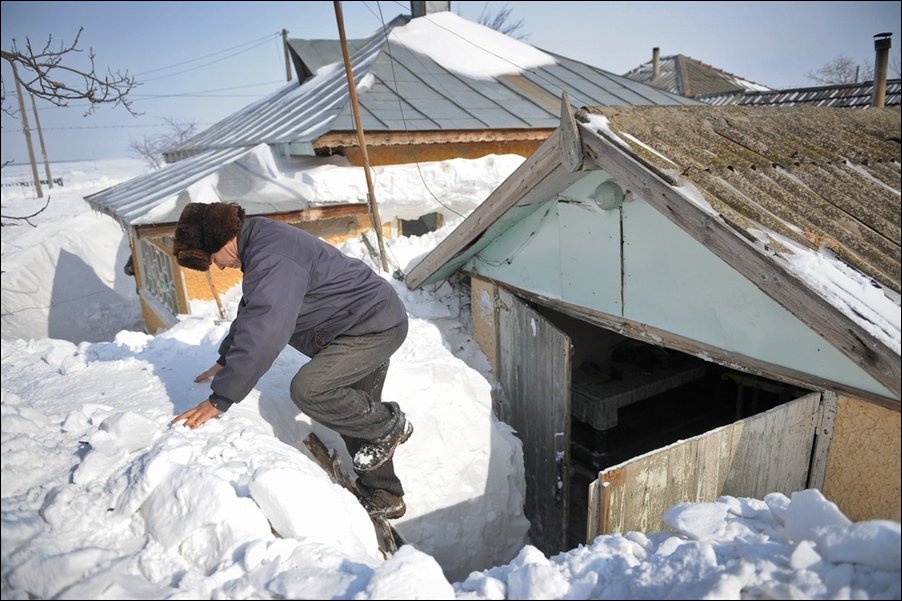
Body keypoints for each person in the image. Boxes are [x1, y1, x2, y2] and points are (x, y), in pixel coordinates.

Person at [169, 201, 412, 519]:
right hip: (359, 321)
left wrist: (221, 399)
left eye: (214, 259)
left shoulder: (271, 257)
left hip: (371, 326)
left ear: (223, 241)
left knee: (311, 389)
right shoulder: (260, 241)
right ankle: (385, 493)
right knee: (353, 409)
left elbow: (267, 328)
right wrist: (228, 356)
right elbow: (254, 309)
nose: (221, 268)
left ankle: (390, 424)